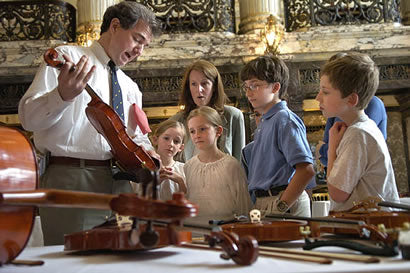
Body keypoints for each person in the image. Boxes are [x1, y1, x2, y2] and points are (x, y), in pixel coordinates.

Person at [18, 2, 161, 245]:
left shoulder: (130, 87)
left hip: (120, 183)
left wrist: (149, 153)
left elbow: (132, 137)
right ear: (115, 26)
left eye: (145, 46)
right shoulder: (67, 58)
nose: (140, 51)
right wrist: (61, 95)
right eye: (137, 40)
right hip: (72, 178)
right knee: (72, 262)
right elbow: (28, 119)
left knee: (124, 260)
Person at [315, 52, 399, 211]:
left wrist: (332, 148)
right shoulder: (360, 129)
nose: (318, 98)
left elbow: (337, 194)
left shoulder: (358, 134)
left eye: (325, 92)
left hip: (367, 227)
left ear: (352, 100)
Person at [240, 55, 315, 217]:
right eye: (246, 87)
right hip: (266, 200)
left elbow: (306, 170)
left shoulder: (284, 119)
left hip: (282, 200)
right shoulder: (266, 121)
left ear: (275, 87)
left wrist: (282, 205)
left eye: (255, 86)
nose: (248, 93)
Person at [317, 53, 388, 168]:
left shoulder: (370, 107)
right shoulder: (335, 111)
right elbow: (325, 156)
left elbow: (342, 152)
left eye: (326, 91)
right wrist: (330, 150)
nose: (318, 97)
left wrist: (329, 149)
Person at [184, 106, 252, 223]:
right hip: (194, 231)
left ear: (218, 131)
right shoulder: (188, 167)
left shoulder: (231, 165)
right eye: (192, 131)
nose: (197, 135)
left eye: (202, 129)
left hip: (224, 231)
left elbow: (243, 207)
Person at [169, 59, 245, 162]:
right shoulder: (177, 121)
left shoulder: (233, 115)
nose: (199, 89)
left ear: (214, 86)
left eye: (204, 83)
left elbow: (240, 162)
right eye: (194, 84)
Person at [149, 119, 187, 201]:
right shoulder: (145, 168)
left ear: (181, 147)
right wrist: (154, 184)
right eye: (166, 138)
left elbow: (188, 201)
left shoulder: (184, 169)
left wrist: (181, 181)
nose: (171, 144)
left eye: (176, 141)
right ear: (155, 140)